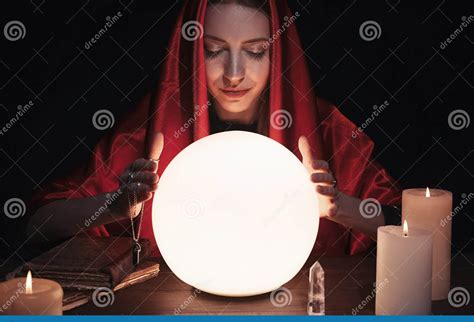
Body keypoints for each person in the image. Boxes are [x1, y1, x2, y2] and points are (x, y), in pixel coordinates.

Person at [26, 0, 401, 258]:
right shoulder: (150, 130)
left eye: (255, 51)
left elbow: (415, 232)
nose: (234, 73)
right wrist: (114, 207)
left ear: (280, 53)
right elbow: (37, 224)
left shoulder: (325, 132)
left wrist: (338, 207)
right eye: (213, 49)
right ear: (190, 51)